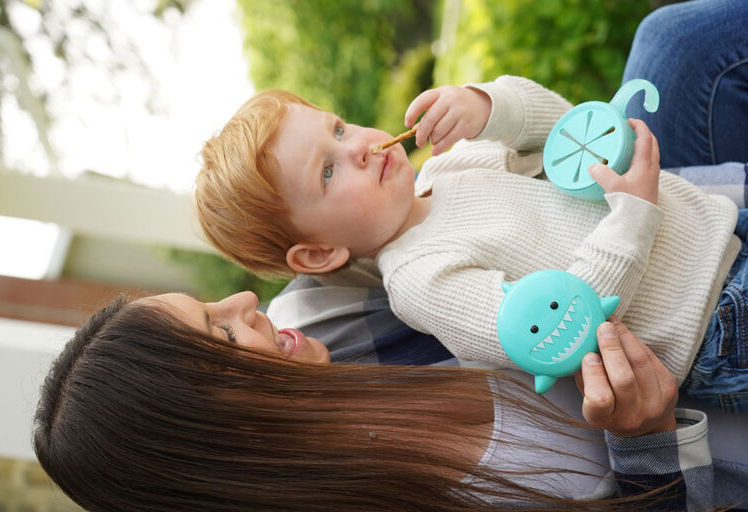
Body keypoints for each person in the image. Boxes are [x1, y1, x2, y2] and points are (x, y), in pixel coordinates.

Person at [195, 2, 748, 411]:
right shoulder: (422, 281)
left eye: (338, 128)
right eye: (328, 170)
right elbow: (568, 331)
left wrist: (490, 107)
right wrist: (632, 215)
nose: (359, 146)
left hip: (722, 228)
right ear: (319, 254)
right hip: (713, 323)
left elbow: (567, 134)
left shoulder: (448, 167)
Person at [32, 289, 748, 511]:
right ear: (218, 428)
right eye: (220, 330)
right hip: (717, 459)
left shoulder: (330, 339)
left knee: (678, 49)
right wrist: (646, 440)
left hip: (705, 344)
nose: (245, 298)